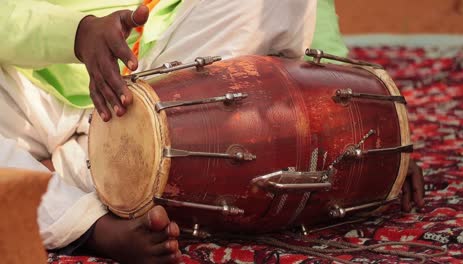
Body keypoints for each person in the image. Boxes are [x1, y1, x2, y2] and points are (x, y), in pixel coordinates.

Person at [0, 0, 423, 262]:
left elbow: (308, 18)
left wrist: (361, 123)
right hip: (26, 84)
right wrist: (76, 33)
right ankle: (90, 224)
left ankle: (108, 167)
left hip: (162, 70)